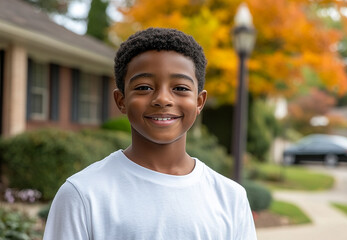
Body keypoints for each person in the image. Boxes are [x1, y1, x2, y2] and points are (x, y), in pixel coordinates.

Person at [43, 27, 257, 240]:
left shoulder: (231, 198)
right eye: (144, 87)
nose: (163, 99)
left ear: (199, 102)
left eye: (180, 88)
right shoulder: (82, 193)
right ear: (121, 100)